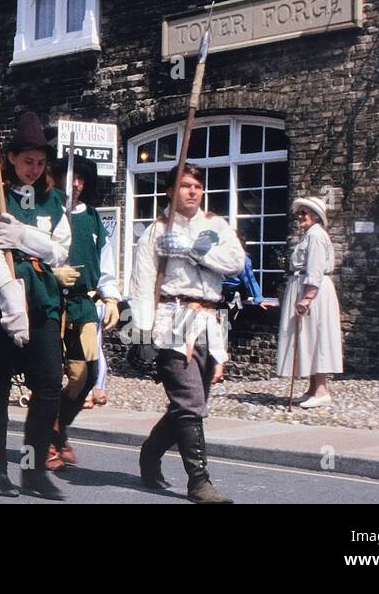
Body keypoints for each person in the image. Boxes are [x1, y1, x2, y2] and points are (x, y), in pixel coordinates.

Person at [0, 111, 72, 500]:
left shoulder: (53, 200)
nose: (34, 169)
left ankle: (32, 469)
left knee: (48, 387)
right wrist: (10, 301)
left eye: (41, 163)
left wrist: (23, 234)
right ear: (11, 158)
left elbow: (60, 251)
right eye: (27, 161)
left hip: (42, 297)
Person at [129, 162, 246, 504]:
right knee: (190, 402)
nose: (192, 191)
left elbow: (236, 262)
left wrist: (196, 250)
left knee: (191, 404)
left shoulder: (215, 226)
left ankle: (151, 451)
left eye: (197, 185)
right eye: (185, 186)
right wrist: (142, 332)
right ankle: (199, 482)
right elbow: (142, 284)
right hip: (172, 317)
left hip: (208, 318)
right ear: (170, 191)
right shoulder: (156, 232)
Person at [49, 154, 120, 469]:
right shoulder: (48, 212)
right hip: (51, 301)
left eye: (79, 178)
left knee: (86, 374)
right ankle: (46, 442)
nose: (74, 183)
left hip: (84, 304)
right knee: (49, 376)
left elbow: (106, 264)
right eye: (69, 177)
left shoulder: (92, 218)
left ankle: (59, 428)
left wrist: (112, 298)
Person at [275, 196, 343, 408]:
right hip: (304, 284)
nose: (299, 217)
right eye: (299, 213)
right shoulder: (309, 235)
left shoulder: (316, 236)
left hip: (314, 291)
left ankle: (322, 390)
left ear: (315, 216)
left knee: (317, 336)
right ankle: (313, 388)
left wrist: (308, 296)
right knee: (308, 337)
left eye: (303, 213)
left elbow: (314, 268)